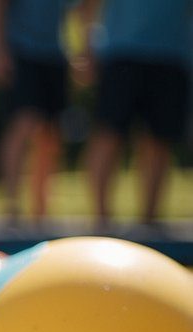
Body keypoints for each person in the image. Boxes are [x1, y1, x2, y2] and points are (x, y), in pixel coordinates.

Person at [81, 0, 193, 228]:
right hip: (121, 53)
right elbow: (88, 4)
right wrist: (87, 47)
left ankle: (149, 225)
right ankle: (101, 221)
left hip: (172, 56)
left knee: (159, 140)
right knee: (109, 135)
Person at [0, 0, 71, 224]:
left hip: (55, 53)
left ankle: (40, 213)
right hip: (21, 49)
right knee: (24, 122)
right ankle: (12, 208)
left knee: (51, 135)